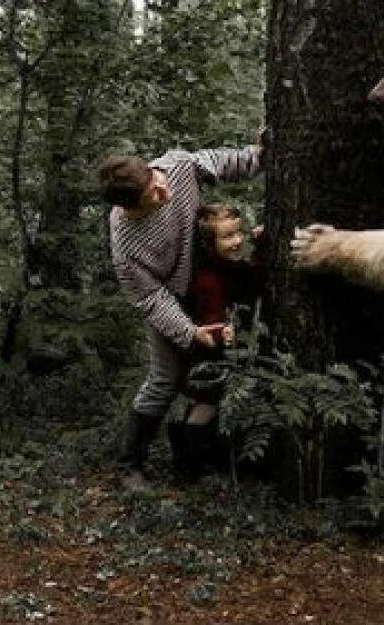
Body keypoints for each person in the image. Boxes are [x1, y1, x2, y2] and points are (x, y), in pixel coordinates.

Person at [97, 143, 262, 488]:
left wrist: (261, 153)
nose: (164, 190)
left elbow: (221, 162)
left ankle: (196, 453)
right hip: (169, 302)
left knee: (217, 373)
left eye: (157, 180)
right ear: (129, 207)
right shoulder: (126, 243)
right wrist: (189, 332)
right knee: (165, 379)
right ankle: (131, 464)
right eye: (153, 195)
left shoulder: (176, 169)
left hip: (204, 287)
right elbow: (149, 297)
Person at [168, 203, 264, 477]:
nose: (236, 242)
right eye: (227, 237)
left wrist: (261, 244)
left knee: (209, 403)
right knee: (206, 404)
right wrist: (221, 330)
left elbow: (254, 278)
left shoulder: (232, 268)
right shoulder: (208, 277)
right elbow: (210, 313)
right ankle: (187, 467)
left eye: (238, 234)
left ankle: (197, 458)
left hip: (220, 348)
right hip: (206, 350)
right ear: (210, 244)